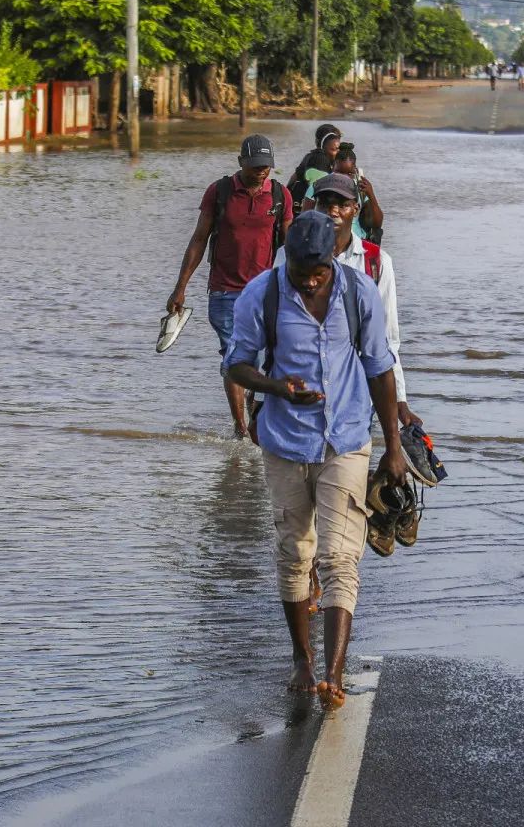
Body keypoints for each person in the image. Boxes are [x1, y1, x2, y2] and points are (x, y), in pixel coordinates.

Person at [226, 211, 409, 710]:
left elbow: (380, 368)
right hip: (285, 442)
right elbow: (236, 364)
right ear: (286, 258)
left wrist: (393, 447)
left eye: (319, 272)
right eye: (300, 272)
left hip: (346, 439)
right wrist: (276, 387)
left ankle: (333, 673)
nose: (309, 281)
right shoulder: (261, 294)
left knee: (339, 558)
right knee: (295, 552)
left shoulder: (358, 292)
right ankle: (302, 659)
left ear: (334, 258)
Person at [167, 134, 293, 438]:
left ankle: (254, 410)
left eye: (266, 166)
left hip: (265, 292)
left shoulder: (280, 196)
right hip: (224, 292)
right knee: (235, 357)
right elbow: (199, 239)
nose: (261, 171)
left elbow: (290, 246)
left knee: (262, 359)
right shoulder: (219, 192)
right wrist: (180, 287)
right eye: (255, 165)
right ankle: (240, 429)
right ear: (240, 162)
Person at [306, 172, 425, 436]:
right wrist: (262, 399)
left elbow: (388, 338)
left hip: (356, 394)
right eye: (325, 204)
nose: (333, 212)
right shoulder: (291, 257)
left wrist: (399, 399)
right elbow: (275, 329)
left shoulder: (376, 262)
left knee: (352, 456)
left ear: (356, 210)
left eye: (342, 204)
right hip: (302, 390)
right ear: (315, 208)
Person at [329, 141, 383, 243]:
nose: (344, 178)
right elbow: (307, 218)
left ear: (355, 170)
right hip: (328, 242)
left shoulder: (361, 189)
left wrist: (371, 195)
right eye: (339, 172)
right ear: (333, 167)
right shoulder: (320, 186)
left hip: (357, 243)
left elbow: (377, 224)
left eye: (349, 173)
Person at [288, 124, 341, 209]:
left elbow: (293, 178)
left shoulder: (311, 156)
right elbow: (317, 193)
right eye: (335, 148)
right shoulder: (320, 159)